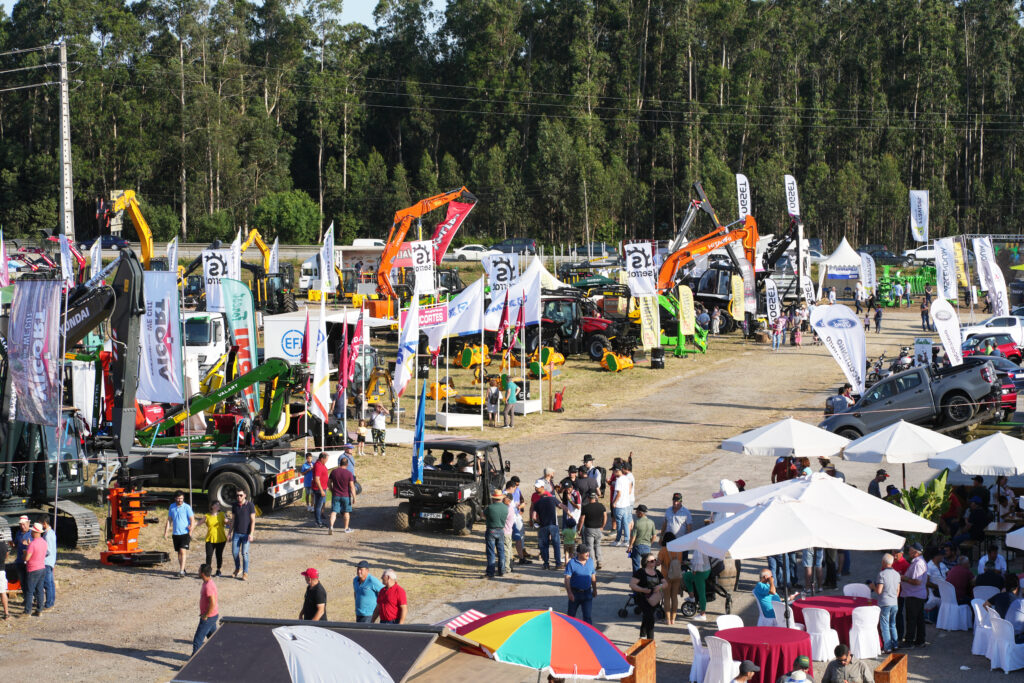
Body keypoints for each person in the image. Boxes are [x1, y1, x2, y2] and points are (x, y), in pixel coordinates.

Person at [629, 552, 666, 640]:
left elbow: (665, 583)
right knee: (650, 618)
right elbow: (632, 585)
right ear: (646, 562)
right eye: (652, 560)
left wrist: (660, 586)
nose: (654, 562)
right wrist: (643, 590)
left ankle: (642, 635)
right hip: (642, 598)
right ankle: (650, 640)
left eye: (655, 560)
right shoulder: (640, 572)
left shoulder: (657, 572)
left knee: (647, 617)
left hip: (654, 599)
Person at [870, 552, 901, 653]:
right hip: (894, 603)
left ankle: (887, 647)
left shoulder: (881, 574)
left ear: (883, 562)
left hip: (885, 603)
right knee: (893, 624)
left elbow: (879, 591)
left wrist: (872, 586)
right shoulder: (897, 574)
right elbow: (898, 591)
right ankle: (895, 645)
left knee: (885, 625)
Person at [900, 542, 928, 648]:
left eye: (910, 550)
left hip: (914, 595)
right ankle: (920, 640)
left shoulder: (918, 564)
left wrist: (903, 577)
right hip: (916, 594)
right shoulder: (919, 562)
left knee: (912, 619)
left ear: (916, 552)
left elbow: (917, 581)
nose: (908, 552)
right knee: (919, 618)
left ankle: (909, 641)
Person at [532, 479, 563, 570]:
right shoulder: (551, 497)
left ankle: (546, 564)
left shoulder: (538, 500)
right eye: (535, 487)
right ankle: (558, 563)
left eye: (537, 487)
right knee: (556, 544)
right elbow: (560, 506)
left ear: (542, 487)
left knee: (544, 545)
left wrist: (538, 522)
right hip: (553, 524)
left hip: (543, 525)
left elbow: (534, 516)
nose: (536, 489)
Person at [163, 491, 195, 577]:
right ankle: (182, 568)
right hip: (175, 533)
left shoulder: (187, 507)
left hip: (185, 533)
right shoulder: (172, 507)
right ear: (175, 498)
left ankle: (181, 571)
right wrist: (166, 532)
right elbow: (169, 520)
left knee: (182, 550)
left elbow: (192, 520)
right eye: (178, 498)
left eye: (181, 498)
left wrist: (190, 532)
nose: (180, 500)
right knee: (179, 552)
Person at [228, 488, 257, 581]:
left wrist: (251, 534)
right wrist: (229, 533)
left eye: (241, 495)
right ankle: (238, 568)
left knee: (244, 553)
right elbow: (233, 520)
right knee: (234, 553)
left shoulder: (250, 505)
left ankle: (245, 572)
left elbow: (253, 521)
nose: (239, 497)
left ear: (245, 495)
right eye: (237, 495)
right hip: (236, 534)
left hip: (246, 534)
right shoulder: (235, 506)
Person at [564, 544, 597, 624]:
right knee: (571, 617)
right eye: (585, 552)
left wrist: (595, 590)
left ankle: (588, 635)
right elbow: (567, 579)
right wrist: (569, 593)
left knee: (587, 617)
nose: (587, 554)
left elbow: (593, 576)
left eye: (588, 551)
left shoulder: (590, 561)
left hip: (587, 593)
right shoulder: (571, 563)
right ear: (579, 554)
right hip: (575, 593)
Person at [657, 533, 684, 625]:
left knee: (667, 597)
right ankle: (673, 619)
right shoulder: (678, 550)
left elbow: (658, 563)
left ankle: (667, 619)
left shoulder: (663, 550)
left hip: (666, 576)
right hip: (677, 576)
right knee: (674, 597)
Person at [192, 564, 219, 654]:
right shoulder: (207, 583)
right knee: (214, 638)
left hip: (208, 617)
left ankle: (193, 663)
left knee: (197, 641)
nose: (198, 572)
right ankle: (221, 654)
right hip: (212, 616)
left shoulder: (208, 586)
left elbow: (213, 602)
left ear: (203, 573)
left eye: (199, 570)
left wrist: (206, 615)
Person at [577, 490, 607, 570]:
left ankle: (591, 563)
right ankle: (599, 561)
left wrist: (579, 529)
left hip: (589, 529)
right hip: (598, 529)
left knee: (589, 547)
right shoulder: (601, 506)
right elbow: (605, 516)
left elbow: (582, 519)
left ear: (588, 498)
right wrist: (603, 526)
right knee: (597, 545)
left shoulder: (586, 507)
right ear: (595, 497)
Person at [196, 502, 227, 577]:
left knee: (219, 555)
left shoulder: (222, 514)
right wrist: (191, 525)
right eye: (216, 504)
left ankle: (218, 570)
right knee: (209, 555)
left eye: (219, 505)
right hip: (210, 538)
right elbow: (199, 523)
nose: (218, 506)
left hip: (220, 538)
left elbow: (227, 522)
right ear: (212, 506)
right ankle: (207, 572)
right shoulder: (207, 516)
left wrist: (228, 521)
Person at [328, 455, 357, 534]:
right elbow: (352, 486)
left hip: (336, 495)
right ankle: (346, 528)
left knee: (334, 511)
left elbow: (329, 482)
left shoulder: (334, 472)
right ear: (347, 464)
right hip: (346, 495)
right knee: (346, 512)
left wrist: (331, 490)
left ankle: (331, 526)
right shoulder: (349, 473)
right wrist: (354, 497)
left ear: (340, 463)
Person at [22, 522, 47, 616]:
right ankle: (39, 609)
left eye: (32, 531)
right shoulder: (44, 542)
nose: (31, 532)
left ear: (36, 532)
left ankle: (27, 611)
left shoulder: (32, 544)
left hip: (32, 569)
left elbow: (27, 558)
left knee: (29, 591)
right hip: (42, 567)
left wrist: (25, 551)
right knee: (40, 589)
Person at [485, 489, 509, 578]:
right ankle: (501, 570)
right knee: (501, 551)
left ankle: (490, 572)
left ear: (494, 498)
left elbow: (484, 515)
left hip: (491, 530)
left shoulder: (490, 508)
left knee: (491, 552)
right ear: (501, 498)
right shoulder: (505, 508)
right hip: (501, 530)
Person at [611, 461, 635, 546]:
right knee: (625, 523)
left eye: (613, 471)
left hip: (619, 505)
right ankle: (626, 540)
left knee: (619, 524)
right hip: (626, 504)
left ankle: (617, 540)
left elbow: (619, 493)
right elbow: (629, 490)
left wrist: (614, 502)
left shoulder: (619, 480)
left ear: (617, 471)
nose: (613, 473)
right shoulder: (626, 478)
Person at [628, 505, 656, 573]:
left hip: (637, 546)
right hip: (647, 546)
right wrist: (650, 544)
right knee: (647, 566)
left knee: (636, 566)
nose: (636, 513)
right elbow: (654, 536)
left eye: (637, 511)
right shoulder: (651, 522)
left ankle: (637, 580)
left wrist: (630, 546)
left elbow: (633, 536)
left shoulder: (637, 522)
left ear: (640, 513)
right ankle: (646, 579)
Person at [40, 516, 56, 609]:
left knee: (47, 583)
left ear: (44, 523)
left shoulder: (48, 535)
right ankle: (51, 601)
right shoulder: (50, 533)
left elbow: (48, 550)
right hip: (50, 560)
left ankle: (49, 602)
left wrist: (39, 553)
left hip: (47, 561)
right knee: (50, 582)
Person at [0, 528, 9, 620]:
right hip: (1, 570)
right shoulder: (4, 545)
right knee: (3, 592)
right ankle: (6, 613)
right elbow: (6, 554)